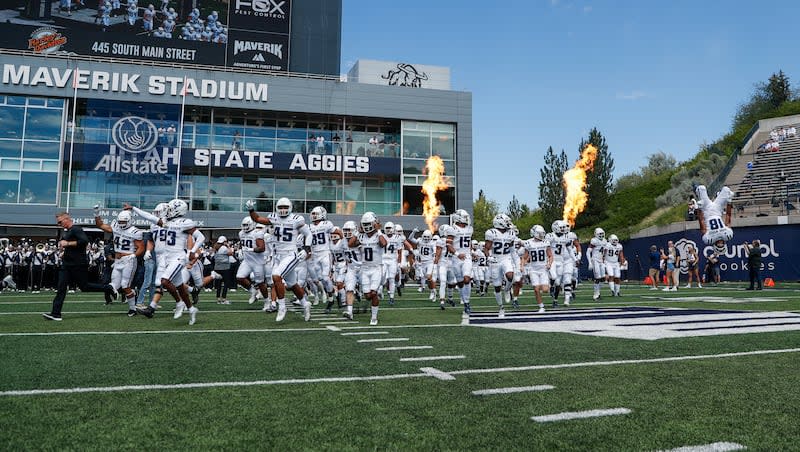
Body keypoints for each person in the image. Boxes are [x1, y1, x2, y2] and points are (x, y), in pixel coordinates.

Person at [247, 197, 313, 322]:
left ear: (290, 208)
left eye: (285, 207)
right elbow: (257, 219)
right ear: (277, 208)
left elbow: (308, 233)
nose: (283, 210)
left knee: (276, 276)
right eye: (280, 207)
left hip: (291, 254)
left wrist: (307, 249)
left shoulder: (296, 219)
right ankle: (305, 303)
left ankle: (282, 306)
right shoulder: (273, 218)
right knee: (292, 284)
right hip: (278, 256)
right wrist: (251, 209)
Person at [43, 212, 107, 321]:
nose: (59, 224)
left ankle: (108, 288)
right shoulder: (67, 232)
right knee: (61, 288)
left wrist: (67, 244)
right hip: (67, 264)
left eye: (60, 222)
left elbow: (84, 241)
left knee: (85, 286)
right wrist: (64, 251)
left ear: (67, 219)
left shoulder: (76, 229)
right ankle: (56, 313)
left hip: (78, 264)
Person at [94, 208, 145, 316]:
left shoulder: (135, 232)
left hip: (129, 260)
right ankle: (131, 294)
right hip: (118, 260)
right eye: (120, 221)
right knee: (113, 285)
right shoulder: (116, 227)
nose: (121, 224)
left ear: (130, 220)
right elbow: (100, 225)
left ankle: (132, 309)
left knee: (125, 285)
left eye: (124, 222)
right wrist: (97, 214)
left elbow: (141, 247)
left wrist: (133, 255)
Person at [348, 212, 388, 325]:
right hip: (364, 269)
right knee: (367, 295)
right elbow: (350, 244)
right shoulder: (361, 236)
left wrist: (378, 230)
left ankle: (374, 317)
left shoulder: (379, 235)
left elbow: (384, 243)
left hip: (376, 268)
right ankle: (377, 292)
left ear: (374, 223)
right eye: (364, 224)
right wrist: (356, 232)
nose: (366, 226)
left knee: (373, 293)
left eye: (368, 224)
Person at [484, 213, 516, 318]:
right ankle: (501, 307)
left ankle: (507, 290)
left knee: (511, 276)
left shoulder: (511, 233)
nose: (508, 224)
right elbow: (486, 248)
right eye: (506, 222)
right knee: (497, 286)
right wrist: (488, 257)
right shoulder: (491, 233)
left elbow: (512, 249)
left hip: (506, 258)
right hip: (495, 260)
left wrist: (516, 261)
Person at [446, 209, 474, 314]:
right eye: (465, 217)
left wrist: (471, 252)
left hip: (466, 257)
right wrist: (457, 254)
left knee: (467, 278)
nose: (467, 219)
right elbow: (448, 245)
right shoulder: (452, 229)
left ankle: (467, 302)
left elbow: (468, 243)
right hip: (456, 258)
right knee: (461, 282)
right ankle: (466, 303)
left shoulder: (470, 229)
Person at [694, 184, 734, 254]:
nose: (720, 244)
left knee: (701, 188)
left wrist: (699, 209)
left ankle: (694, 187)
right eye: (722, 245)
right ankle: (718, 194)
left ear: (715, 246)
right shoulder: (728, 235)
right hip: (717, 210)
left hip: (707, 211)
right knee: (726, 189)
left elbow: (702, 221)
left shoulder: (708, 239)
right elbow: (728, 216)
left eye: (719, 246)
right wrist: (729, 202)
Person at [521, 225, 552, 313]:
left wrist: (549, 263)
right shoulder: (529, 243)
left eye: (542, 233)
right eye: (540, 233)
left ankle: (550, 287)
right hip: (533, 269)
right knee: (536, 288)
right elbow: (524, 257)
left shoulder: (546, 242)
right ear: (534, 234)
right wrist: (522, 266)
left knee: (545, 290)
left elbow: (550, 255)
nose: (542, 235)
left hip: (543, 269)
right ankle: (541, 306)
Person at [587, 227, 607, 300]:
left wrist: (605, 260)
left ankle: (598, 293)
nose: (601, 235)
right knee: (597, 277)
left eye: (602, 233)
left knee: (603, 278)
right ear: (596, 234)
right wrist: (590, 262)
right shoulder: (594, 240)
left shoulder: (605, 241)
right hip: (595, 260)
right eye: (600, 234)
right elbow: (588, 252)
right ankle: (596, 294)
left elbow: (604, 252)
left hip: (601, 260)